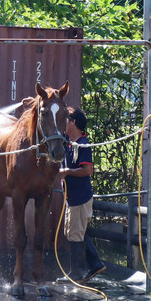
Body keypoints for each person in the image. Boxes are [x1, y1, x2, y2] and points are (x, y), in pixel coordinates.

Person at [57, 107, 106, 283]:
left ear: (73, 122)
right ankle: (95, 264)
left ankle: (77, 273)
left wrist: (67, 172)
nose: (63, 123)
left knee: (75, 234)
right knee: (72, 232)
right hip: (72, 198)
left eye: (66, 119)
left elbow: (88, 170)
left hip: (80, 197)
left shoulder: (83, 144)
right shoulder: (69, 143)